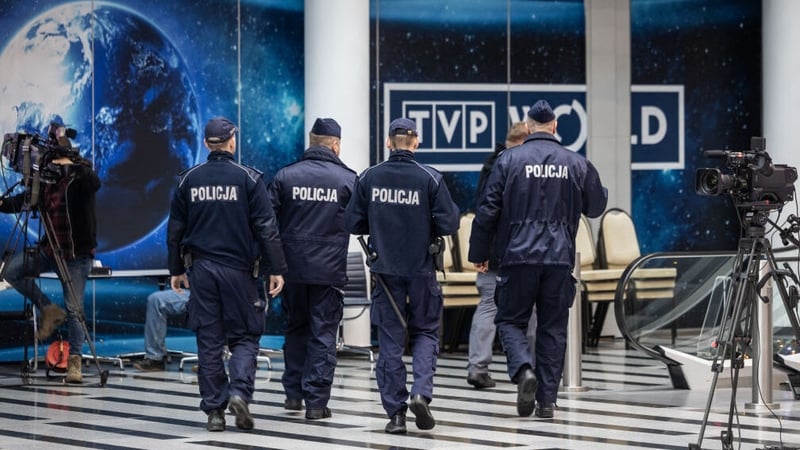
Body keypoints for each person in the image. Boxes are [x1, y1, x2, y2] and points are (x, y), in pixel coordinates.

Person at [468, 100, 607, 419]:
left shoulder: (508, 160)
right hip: (559, 259)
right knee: (553, 328)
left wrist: (478, 253)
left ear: (528, 128)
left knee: (509, 320)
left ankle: (523, 371)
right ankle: (546, 401)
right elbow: (596, 207)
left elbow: (487, 211)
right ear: (555, 127)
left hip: (517, 257)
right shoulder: (577, 163)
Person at [167, 116, 287, 432]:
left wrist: (176, 270)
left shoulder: (187, 180)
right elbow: (267, 227)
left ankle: (215, 413)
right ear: (232, 142)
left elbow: (174, 231)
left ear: (206, 144)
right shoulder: (249, 179)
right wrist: (275, 268)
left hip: (202, 271)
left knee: (209, 340)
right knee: (246, 336)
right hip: (241, 273)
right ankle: (239, 393)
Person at [345, 117, 460, 434]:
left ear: (387, 142)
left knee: (391, 342)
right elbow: (450, 224)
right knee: (425, 332)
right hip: (422, 269)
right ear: (416, 142)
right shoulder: (430, 179)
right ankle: (420, 393)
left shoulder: (370, 177)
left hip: (385, 273)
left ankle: (395, 415)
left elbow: (352, 223)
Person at [268, 118, 357, 420]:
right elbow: (359, 222)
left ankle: (293, 394)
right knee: (323, 333)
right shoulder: (347, 179)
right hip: (329, 272)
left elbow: (268, 223)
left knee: (295, 328)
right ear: (335, 145)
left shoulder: (285, 176)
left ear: (311, 141)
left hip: (292, 271)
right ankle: (316, 403)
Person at [0, 122, 100, 384]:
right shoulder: (43, 181)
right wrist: (1, 203)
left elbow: (94, 183)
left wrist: (74, 161)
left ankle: (75, 363)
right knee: (11, 270)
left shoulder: (81, 177)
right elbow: (23, 201)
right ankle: (48, 309)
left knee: (75, 310)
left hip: (76, 257)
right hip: (50, 250)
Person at [466, 122, 538, 389]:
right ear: (525, 139)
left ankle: (478, 367)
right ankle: (529, 367)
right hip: (521, 248)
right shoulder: (518, 163)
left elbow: (483, 211)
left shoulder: (492, 163)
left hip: (496, 249)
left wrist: (480, 250)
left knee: (488, 305)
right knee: (528, 307)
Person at [133, 288, 190, 371]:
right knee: (155, 299)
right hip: (192, 290)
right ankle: (155, 358)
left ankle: (209, 361)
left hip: (209, 292)